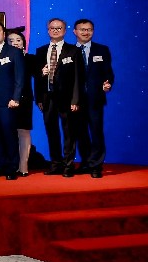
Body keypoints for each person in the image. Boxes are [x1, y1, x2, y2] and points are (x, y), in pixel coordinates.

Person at [34, 18, 83, 177]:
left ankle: (68, 165)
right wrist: (39, 98)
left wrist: (75, 100)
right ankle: (56, 163)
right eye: (52, 28)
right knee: (51, 131)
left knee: (69, 132)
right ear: (48, 30)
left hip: (67, 99)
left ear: (65, 30)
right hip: (47, 97)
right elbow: (37, 77)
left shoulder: (73, 50)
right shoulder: (41, 51)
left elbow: (78, 78)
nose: (55, 30)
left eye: (59, 28)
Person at [73, 19, 114, 179]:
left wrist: (108, 83)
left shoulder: (102, 50)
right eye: (82, 29)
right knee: (80, 133)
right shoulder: (69, 51)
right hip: (75, 100)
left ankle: (96, 165)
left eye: (89, 29)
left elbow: (108, 72)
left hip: (95, 99)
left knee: (96, 132)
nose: (86, 32)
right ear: (75, 32)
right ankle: (86, 163)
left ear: (93, 31)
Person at [0, 22, 24, 180]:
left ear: (4, 34)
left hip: (8, 101)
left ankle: (12, 168)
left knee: (9, 134)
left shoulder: (14, 52)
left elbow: (19, 77)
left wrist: (16, 97)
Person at [7, 31, 35, 176]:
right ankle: (10, 164)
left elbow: (40, 78)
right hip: (6, 100)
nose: (15, 43)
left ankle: (23, 165)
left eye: (18, 40)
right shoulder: (3, 58)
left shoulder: (30, 59)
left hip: (24, 100)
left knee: (23, 131)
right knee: (8, 131)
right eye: (11, 40)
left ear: (23, 42)